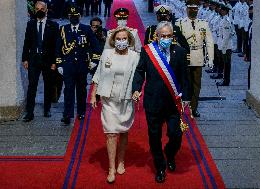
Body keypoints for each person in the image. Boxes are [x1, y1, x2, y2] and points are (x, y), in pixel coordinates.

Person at [132, 21, 190, 183]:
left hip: (173, 103)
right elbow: (139, 71)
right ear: (156, 36)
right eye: (162, 36)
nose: (165, 38)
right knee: (154, 136)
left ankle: (170, 154)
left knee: (176, 135)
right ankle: (160, 167)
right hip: (153, 102)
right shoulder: (148, 52)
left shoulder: (180, 52)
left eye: (169, 36)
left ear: (173, 36)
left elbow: (185, 77)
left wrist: (186, 97)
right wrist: (136, 89)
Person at [91, 27, 139, 183]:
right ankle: (111, 168)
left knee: (123, 131)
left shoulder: (135, 56)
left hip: (126, 98)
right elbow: (98, 74)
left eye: (124, 38)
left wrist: (138, 91)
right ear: (113, 40)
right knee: (111, 132)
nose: (121, 41)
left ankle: (121, 161)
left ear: (129, 40)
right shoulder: (106, 54)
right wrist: (93, 95)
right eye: (118, 39)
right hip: (108, 99)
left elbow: (139, 76)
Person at [56, 6, 101, 125]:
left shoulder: (86, 29)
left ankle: (81, 112)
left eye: (76, 16)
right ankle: (67, 114)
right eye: (71, 16)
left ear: (80, 16)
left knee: (81, 90)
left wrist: (94, 61)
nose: (73, 18)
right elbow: (58, 48)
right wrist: (59, 63)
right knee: (68, 90)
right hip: (68, 66)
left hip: (82, 66)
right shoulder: (63, 29)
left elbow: (96, 47)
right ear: (69, 17)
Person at [176, 0, 214, 117]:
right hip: (185, 57)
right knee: (184, 82)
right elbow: (177, 42)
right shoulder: (180, 23)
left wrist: (210, 58)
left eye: (195, 9)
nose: (193, 11)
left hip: (198, 56)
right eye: (191, 8)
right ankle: (182, 105)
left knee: (197, 84)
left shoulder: (203, 23)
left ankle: (194, 107)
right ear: (186, 9)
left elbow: (209, 42)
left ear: (198, 10)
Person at [22, 1, 59, 122]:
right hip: (34, 59)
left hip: (48, 60)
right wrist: (25, 59)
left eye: (42, 9)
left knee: (48, 85)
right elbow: (27, 42)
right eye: (37, 8)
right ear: (34, 10)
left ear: (46, 10)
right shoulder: (30, 24)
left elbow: (56, 45)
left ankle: (47, 109)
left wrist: (55, 62)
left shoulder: (53, 25)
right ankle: (29, 112)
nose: (39, 10)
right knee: (32, 86)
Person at [216, 4, 235, 86]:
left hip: (226, 47)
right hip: (224, 45)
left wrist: (223, 48)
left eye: (222, 10)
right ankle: (225, 80)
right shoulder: (224, 19)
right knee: (225, 64)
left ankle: (226, 81)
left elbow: (226, 36)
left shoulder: (226, 21)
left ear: (225, 11)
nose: (220, 11)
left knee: (226, 65)